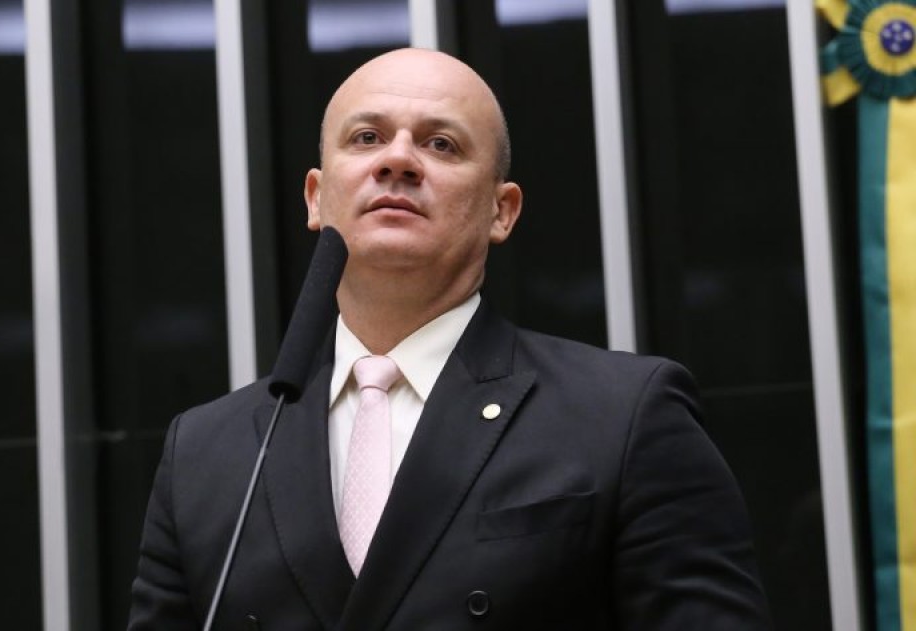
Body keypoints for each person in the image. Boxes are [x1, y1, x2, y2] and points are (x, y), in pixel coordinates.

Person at [128, 48, 771, 630]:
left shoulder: (624, 415)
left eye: (440, 144)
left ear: (501, 210)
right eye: (367, 137)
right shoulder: (205, 454)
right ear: (316, 198)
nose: (397, 160)